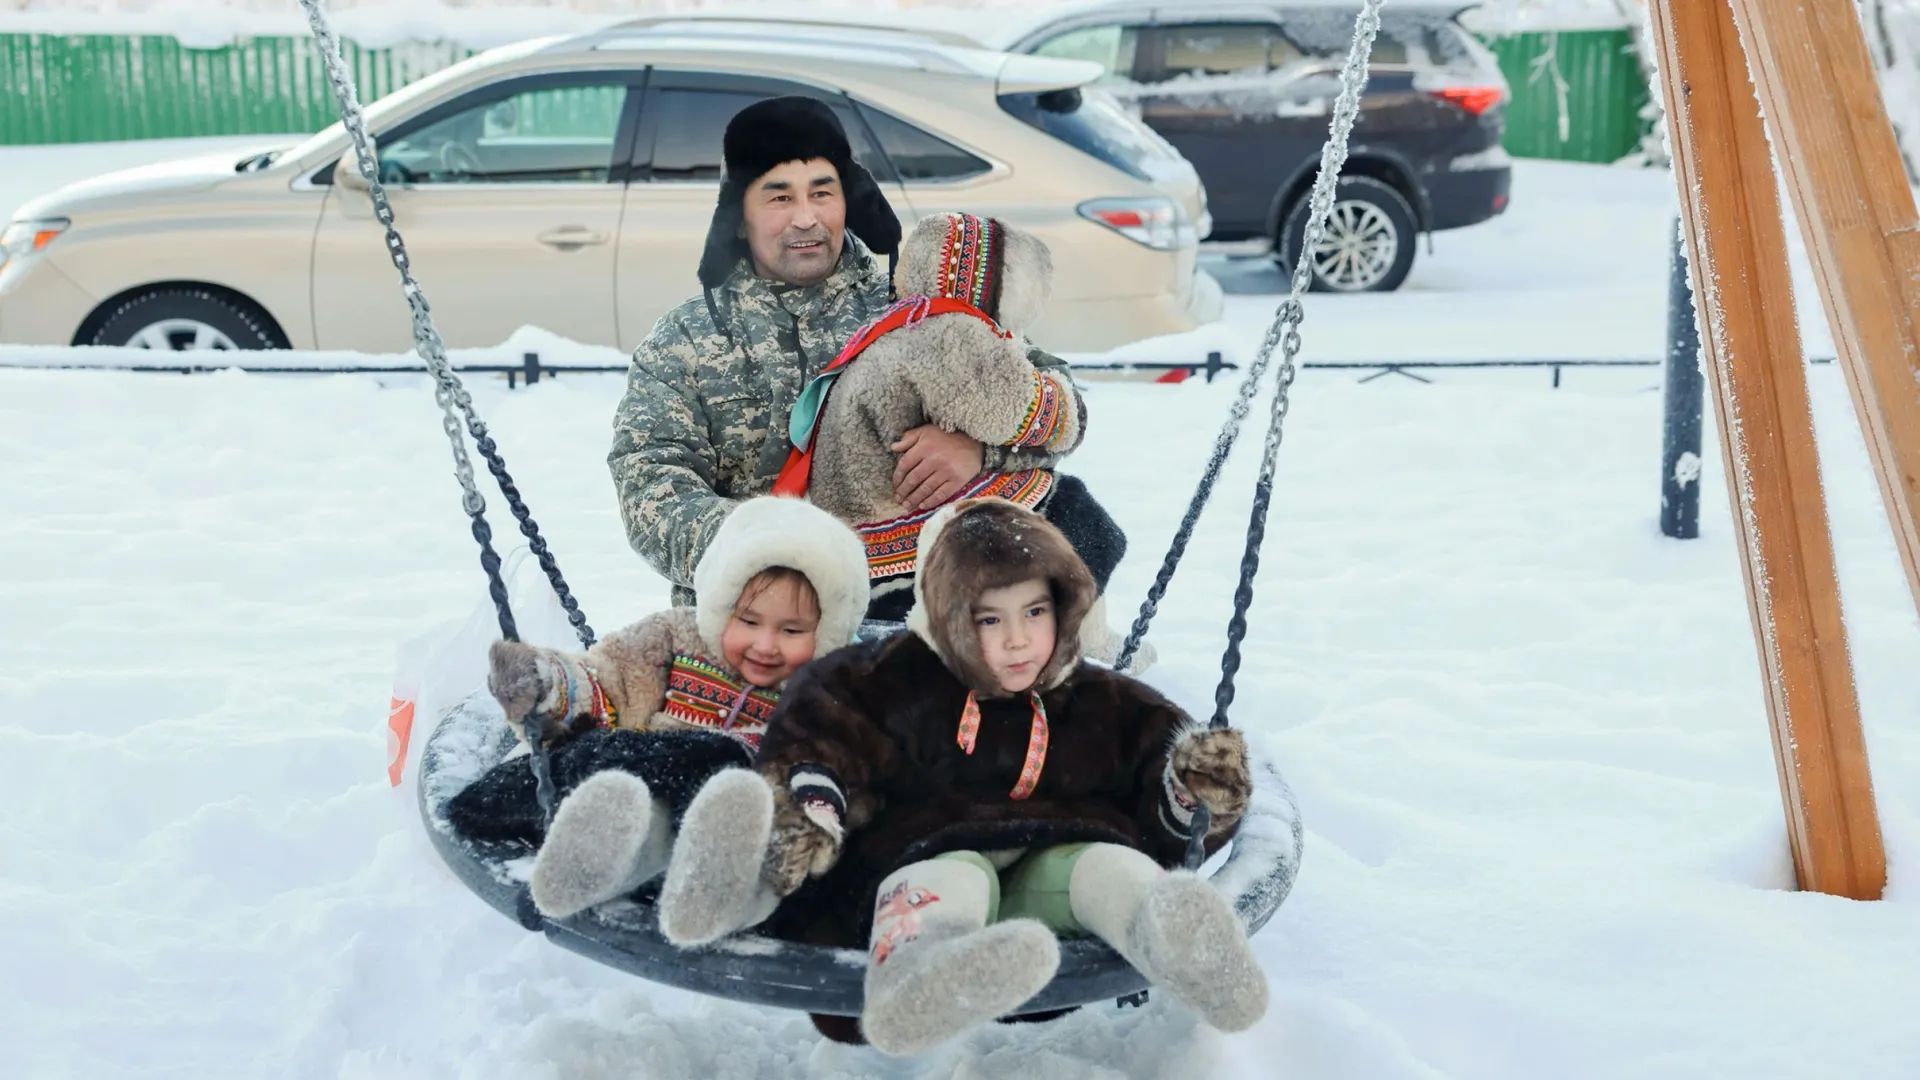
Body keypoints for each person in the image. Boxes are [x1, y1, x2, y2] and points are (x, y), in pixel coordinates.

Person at [653, 499, 1266, 1053]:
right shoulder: (894, 678)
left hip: (1055, 861)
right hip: (926, 852)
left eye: (1034, 611)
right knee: (951, 877)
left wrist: (1192, 791)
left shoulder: (1101, 699)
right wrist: (813, 805)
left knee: (1110, 868)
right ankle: (920, 980)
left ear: (1065, 605)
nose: (1019, 640)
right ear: (949, 615)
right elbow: (825, 734)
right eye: (989, 619)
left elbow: (1158, 780)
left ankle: (1181, 939)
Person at [608, 95, 1115, 618]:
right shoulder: (684, 339)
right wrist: (778, 554)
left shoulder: (914, 304)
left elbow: (1059, 405)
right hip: (755, 626)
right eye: (778, 198)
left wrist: (978, 452)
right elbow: (651, 485)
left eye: (821, 193)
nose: (805, 218)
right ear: (739, 216)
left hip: (925, 614)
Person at [442, 497, 869, 920]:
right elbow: (609, 684)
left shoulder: (827, 695)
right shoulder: (675, 638)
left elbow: (836, 764)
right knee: (635, 806)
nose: (764, 645)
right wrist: (545, 681)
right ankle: (592, 855)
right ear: (722, 606)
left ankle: (712, 900)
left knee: (751, 827)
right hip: (657, 781)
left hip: (744, 822)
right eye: (749, 621)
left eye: (791, 630)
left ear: (827, 631)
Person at [771, 211, 1134, 662]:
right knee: (1074, 511)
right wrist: (1004, 449)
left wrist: (981, 455)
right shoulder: (951, 334)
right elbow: (1050, 419)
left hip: (862, 550)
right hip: (897, 571)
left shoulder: (904, 322)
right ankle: (1074, 641)